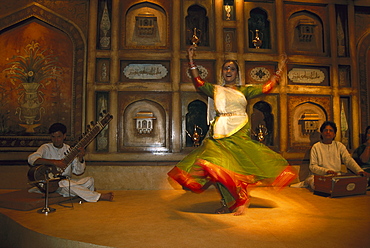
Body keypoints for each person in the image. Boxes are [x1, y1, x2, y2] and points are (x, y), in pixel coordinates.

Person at [168, 45, 296, 216]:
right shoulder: (215, 90)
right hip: (220, 131)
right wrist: (191, 60)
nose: (229, 71)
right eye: (226, 68)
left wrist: (279, 69)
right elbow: (199, 82)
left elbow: (266, 87)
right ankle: (229, 203)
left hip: (239, 130)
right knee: (216, 168)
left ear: (237, 72)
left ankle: (240, 200)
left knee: (237, 169)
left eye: (232, 68)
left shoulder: (245, 90)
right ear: (222, 72)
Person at [28, 123, 114, 202]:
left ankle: (77, 193)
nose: (56, 140)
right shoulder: (45, 148)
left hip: (67, 182)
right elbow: (31, 159)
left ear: (64, 136)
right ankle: (98, 196)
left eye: (59, 137)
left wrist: (80, 157)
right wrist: (55, 162)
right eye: (53, 137)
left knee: (89, 180)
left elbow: (78, 171)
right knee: (64, 183)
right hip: (51, 183)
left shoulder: (69, 149)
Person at [302, 121, 369, 190]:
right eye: (325, 130)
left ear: (334, 134)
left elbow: (348, 160)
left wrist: (359, 170)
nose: (328, 132)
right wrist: (326, 171)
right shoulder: (316, 147)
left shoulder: (339, 146)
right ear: (322, 133)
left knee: (353, 182)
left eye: (331, 130)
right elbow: (312, 166)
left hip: (336, 176)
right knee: (315, 183)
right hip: (320, 176)